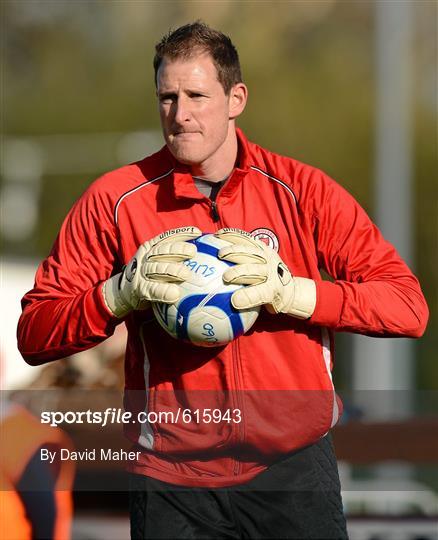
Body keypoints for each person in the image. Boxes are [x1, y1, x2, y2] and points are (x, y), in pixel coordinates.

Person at [18, 21, 429, 539]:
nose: (180, 114)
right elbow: (34, 332)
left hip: (294, 472)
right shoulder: (115, 201)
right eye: (167, 97)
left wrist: (292, 293)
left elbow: (407, 306)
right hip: (170, 479)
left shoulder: (301, 191)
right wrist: (115, 295)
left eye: (196, 95)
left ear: (236, 98)